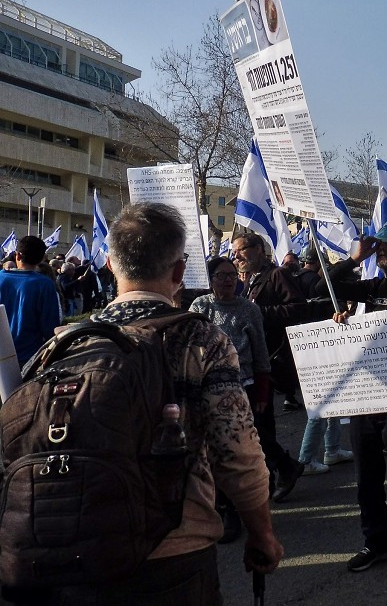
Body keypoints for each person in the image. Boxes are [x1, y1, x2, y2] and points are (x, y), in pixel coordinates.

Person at [86, 203, 281, 602]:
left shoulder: (66, 343)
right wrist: (262, 533)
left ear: (109, 264)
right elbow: (236, 451)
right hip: (174, 545)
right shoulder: (200, 340)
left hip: (81, 543)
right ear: (179, 273)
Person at [317, 224, 387, 578]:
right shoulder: (372, 287)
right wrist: (354, 260)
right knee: (366, 476)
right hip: (364, 393)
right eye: (378, 245)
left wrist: (358, 331)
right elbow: (322, 286)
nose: (382, 250)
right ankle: (376, 542)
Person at [189, 256, 274, 540]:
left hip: (242, 387)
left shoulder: (249, 309)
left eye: (232, 275)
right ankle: (221, 508)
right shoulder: (200, 307)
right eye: (221, 275)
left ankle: (241, 509)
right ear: (210, 279)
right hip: (207, 390)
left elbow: (260, 349)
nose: (227, 280)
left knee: (238, 452)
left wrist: (262, 389)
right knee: (212, 451)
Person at [230, 234, 307, 501]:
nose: (236, 256)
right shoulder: (247, 280)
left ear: (259, 250)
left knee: (258, 421)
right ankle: (271, 477)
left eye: (241, 250)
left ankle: (279, 471)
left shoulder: (277, 275)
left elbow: (298, 308)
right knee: (256, 422)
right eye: (234, 252)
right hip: (249, 361)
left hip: (271, 359)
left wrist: (257, 313)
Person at [0, 235, 61, 365]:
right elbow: (50, 327)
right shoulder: (44, 284)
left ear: (18, 255)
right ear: (41, 259)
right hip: (29, 359)